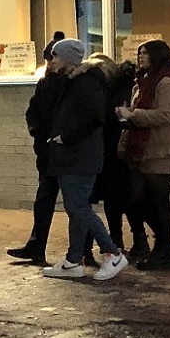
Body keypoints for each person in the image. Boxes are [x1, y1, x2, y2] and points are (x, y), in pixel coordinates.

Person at [39, 38, 129, 281]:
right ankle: (73, 260)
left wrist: (65, 138)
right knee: (75, 207)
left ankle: (113, 253)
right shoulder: (70, 81)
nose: (52, 60)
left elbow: (93, 118)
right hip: (73, 156)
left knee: (78, 207)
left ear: (69, 58)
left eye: (56, 56)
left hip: (79, 156)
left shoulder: (85, 83)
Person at [117, 39, 170, 270]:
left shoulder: (167, 82)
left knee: (158, 201)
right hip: (141, 149)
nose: (140, 57)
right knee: (135, 199)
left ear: (157, 56)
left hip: (162, 148)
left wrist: (132, 115)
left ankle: (163, 250)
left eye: (145, 53)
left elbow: (166, 115)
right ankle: (165, 244)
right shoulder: (140, 83)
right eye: (139, 53)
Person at [8, 36, 69, 264]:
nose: (50, 63)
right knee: (44, 199)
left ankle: (86, 249)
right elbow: (33, 110)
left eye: (53, 58)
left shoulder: (72, 83)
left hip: (64, 148)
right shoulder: (46, 83)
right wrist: (35, 129)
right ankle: (36, 244)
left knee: (76, 202)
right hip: (46, 150)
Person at [91, 52, 143, 263]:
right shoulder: (115, 87)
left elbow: (115, 118)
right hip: (112, 152)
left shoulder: (116, 89)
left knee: (121, 200)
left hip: (115, 151)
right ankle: (123, 240)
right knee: (119, 200)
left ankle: (127, 240)